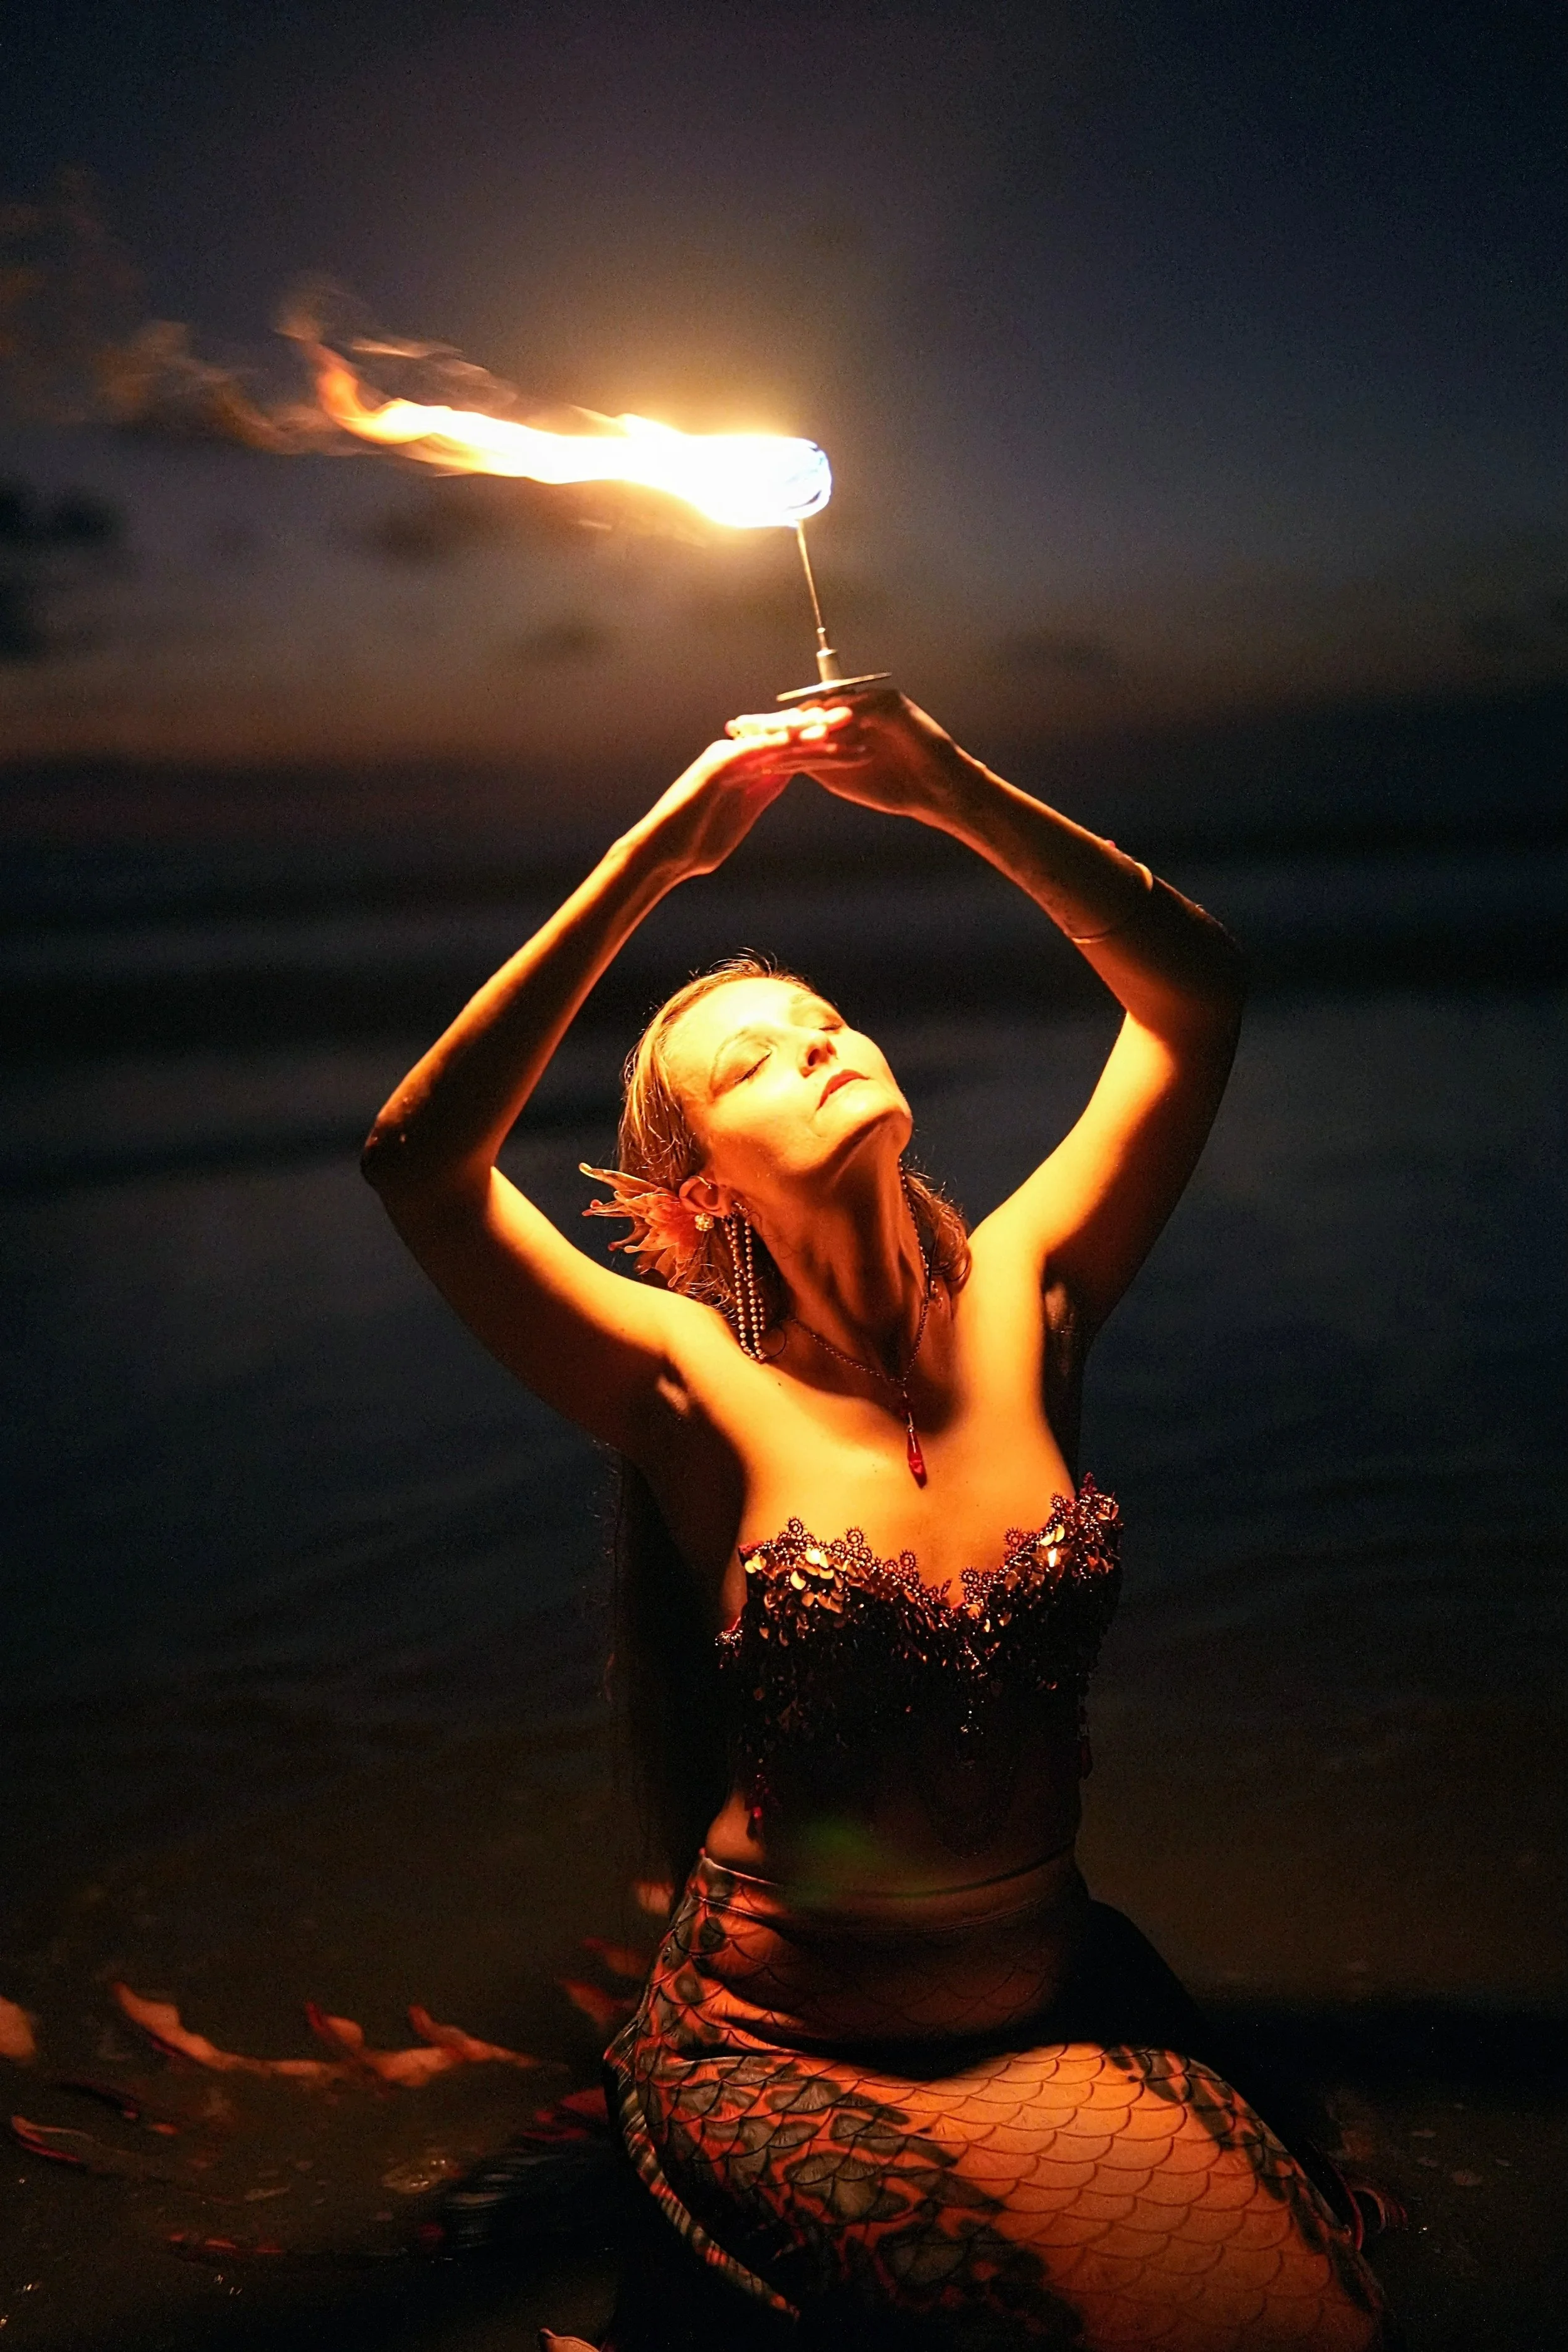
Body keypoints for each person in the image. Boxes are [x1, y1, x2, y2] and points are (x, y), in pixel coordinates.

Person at [362, 692, 1389, 2349]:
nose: (818, 1043)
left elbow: (1195, 998)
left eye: (827, 1016)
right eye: (754, 1059)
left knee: (1303, 2318)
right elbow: (419, 1162)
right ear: (704, 1193)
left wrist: (951, 788)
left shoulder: (1029, 1292)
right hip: (785, 2033)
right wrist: (657, 857)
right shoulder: (693, 1380)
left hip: (1049, 1988)